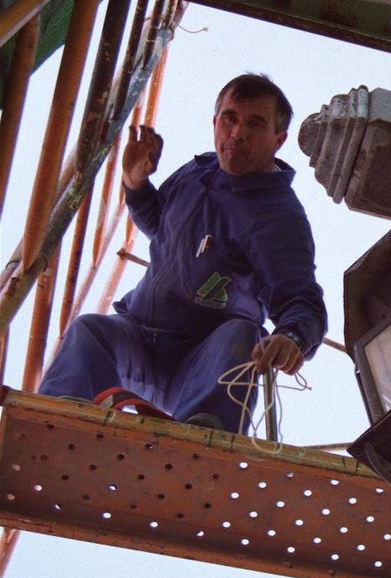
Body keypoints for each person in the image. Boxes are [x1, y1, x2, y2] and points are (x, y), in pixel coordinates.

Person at [38, 73, 327, 433]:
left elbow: (302, 298)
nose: (237, 133)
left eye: (256, 124)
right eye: (230, 118)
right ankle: (54, 427)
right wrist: (135, 182)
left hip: (203, 362)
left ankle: (202, 440)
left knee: (241, 333)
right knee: (90, 330)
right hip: (139, 338)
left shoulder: (277, 216)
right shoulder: (197, 172)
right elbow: (161, 226)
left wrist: (293, 336)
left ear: (278, 140)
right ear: (215, 122)